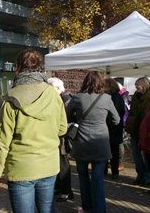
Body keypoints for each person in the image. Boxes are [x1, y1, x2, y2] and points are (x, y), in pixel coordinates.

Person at [0, 49, 67, 213]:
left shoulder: (10, 98)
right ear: (40, 68)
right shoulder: (53, 95)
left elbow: (2, 141)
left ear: (17, 68)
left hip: (21, 168)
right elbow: (62, 128)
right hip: (49, 165)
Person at [66, 71, 120, 213]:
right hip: (101, 142)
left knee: (83, 177)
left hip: (82, 142)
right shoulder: (107, 98)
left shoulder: (77, 97)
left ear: (85, 82)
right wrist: (102, 120)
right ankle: (100, 210)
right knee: (97, 179)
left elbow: (66, 114)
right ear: (100, 83)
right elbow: (117, 119)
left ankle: (86, 208)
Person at [47, 77, 74, 202]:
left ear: (55, 88)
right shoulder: (58, 98)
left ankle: (66, 191)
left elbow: (64, 119)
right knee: (58, 163)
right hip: (56, 136)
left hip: (61, 137)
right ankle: (59, 187)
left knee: (63, 164)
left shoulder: (64, 99)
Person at [125, 76, 150, 185]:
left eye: (138, 84)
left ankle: (148, 177)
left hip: (146, 130)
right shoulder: (136, 95)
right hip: (135, 129)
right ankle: (140, 175)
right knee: (136, 155)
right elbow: (133, 111)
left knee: (147, 155)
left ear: (145, 85)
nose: (136, 87)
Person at [103, 78, 125, 179]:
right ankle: (108, 171)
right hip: (112, 128)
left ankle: (114, 172)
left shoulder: (115, 97)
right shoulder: (114, 96)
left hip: (113, 128)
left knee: (113, 151)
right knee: (110, 150)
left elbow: (116, 113)